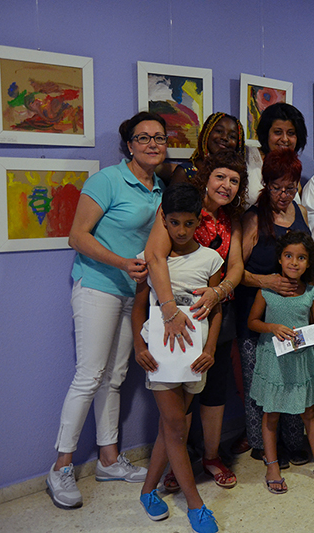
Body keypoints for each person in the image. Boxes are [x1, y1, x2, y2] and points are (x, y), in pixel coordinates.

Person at [46, 112, 165, 509]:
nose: (152, 144)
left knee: (113, 377)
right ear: (128, 145)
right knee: (89, 374)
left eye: (159, 138)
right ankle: (61, 466)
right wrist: (120, 263)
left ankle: (109, 459)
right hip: (98, 286)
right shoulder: (107, 180)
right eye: (143, 137)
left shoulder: (160, 188)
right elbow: (76, 236)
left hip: (133, 293)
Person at [143, 150, 247, 492]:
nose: (226, 186)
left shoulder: (231, 219)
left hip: (216, 313)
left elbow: (235, 266)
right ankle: (178, 460)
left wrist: (220, 293)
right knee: (180, 387)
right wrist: (170, 310)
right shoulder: (180, 206)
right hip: (174, 318)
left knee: (214, 387)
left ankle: (212, 456)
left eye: (234, 181)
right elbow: (155, 257)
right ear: (205, 176)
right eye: (220, 177)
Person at [132, 183, 221, 532]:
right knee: (175, 425)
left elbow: (216, 313)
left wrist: (211, 349)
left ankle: (147, 491)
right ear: (163, 221)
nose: (181, 230)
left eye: (188, 223)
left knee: (171, 428)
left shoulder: (212, 259)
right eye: (173, 223)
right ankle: (196, 506)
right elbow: (139, 308)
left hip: (194, 357)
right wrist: (139, 347)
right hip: (159, 356)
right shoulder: (152, 258)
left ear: (198, 221)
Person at [236, 148, 311, 465]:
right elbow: (236, 271)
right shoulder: (253, 218)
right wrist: (267, 282)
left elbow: (309, 256)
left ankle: (294, 441)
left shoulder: (302, 213)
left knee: (293, 376)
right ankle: (262, 444)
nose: (283, 195)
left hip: (294, 314)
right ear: (266, 184)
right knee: (260, 381)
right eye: (277, 188)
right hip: (257, 314)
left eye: (290, 188)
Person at [247, 231, 314, 492]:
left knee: (309, 412)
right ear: (279, 259)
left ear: (309, 263)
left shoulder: (312, 292)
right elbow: (252, 321)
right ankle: (272, 465)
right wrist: (272, 327)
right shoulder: (267, 291)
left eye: (301, 258)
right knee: (270, 414)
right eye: (288, 256)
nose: (294, 262)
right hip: (273, 361)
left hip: (301, 361)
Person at [160, 112, 246, 187]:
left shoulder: (237, 176)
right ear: (206, 133)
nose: (224, 138)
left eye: (232, 136)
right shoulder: (186, 172)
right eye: (219, 131)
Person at [247, 103, 308, 207]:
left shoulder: (293, 168)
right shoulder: (247, 157)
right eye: (278, 132)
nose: (284, 139)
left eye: (291, 133)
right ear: (266, 134)